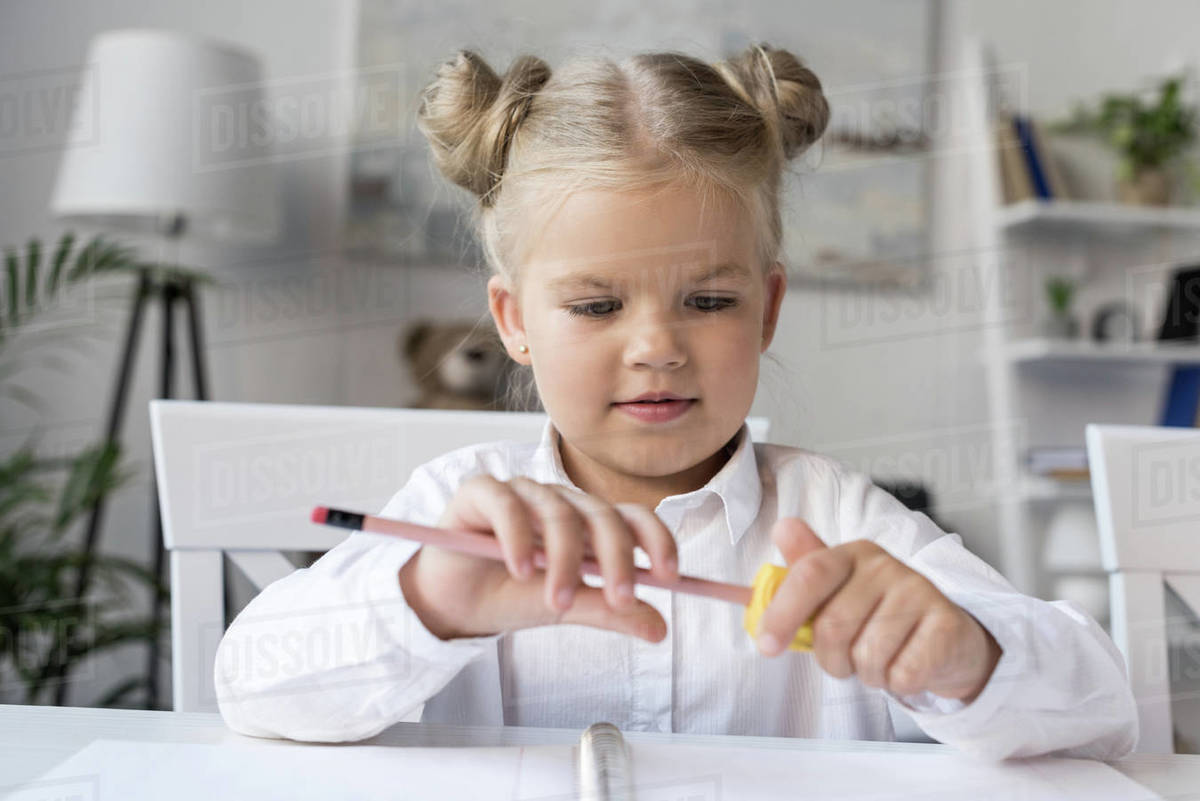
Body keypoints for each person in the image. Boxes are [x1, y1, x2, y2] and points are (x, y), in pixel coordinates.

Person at [214, 43, 1138, 761]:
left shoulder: (839, 520)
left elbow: (1101, 710)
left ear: (768, 308)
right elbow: (249, 683)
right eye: (596, 305)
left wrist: (968, 655)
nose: (656, 345)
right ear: (515, 320)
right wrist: (424, 602)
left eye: (708, 300)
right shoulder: (459, 512)